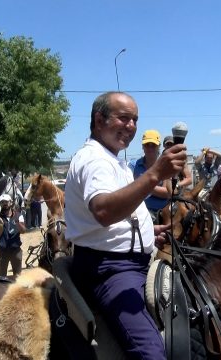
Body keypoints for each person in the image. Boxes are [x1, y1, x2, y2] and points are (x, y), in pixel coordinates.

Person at [65, 91, 187, 359]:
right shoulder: (94, 159)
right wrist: (156, 173)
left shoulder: (114, 159)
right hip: (109, 269)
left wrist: (146, 232)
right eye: (124, 118)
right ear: (99, 120)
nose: (131, 127)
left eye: (135, 120)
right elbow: (104, 211)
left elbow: (121, 210)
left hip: (133, 259)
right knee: (151, 353)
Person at [129, 130, 169, 221]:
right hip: (140, 213)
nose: (150, 148)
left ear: (158, 146)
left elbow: (167, 193)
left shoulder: (166, 166)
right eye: (147, 145)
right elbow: (130, 190)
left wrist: (142, 184)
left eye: (153, 145)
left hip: (162, 214)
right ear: (143, 146)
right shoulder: (133, 165)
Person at [0, 193, 26, 279]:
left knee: (18, 277)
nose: (4, 204)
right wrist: (1, 225)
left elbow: (23, 231)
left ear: (11, 202)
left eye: (6, 202)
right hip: (2, 251)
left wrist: (17, 223)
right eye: (2, 202)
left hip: (16, 250)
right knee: (2, 277)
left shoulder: (19, 215)